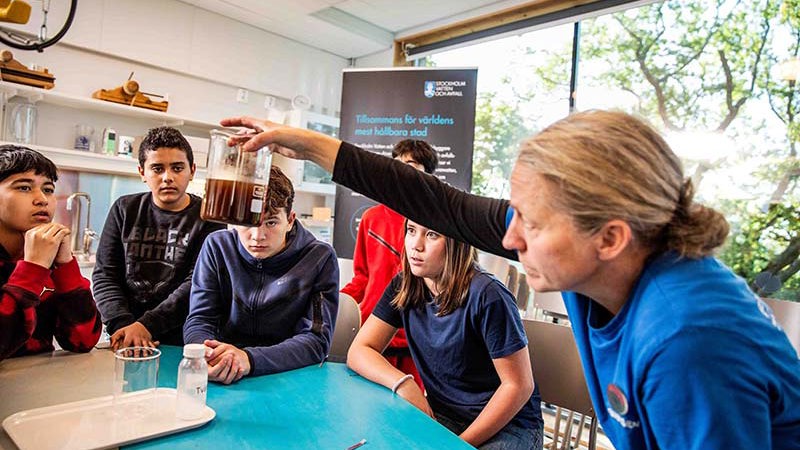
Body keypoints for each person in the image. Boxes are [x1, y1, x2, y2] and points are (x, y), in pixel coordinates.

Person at [221, 111, 800, 449]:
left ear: (611, 237)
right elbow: (436, 200)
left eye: (533, 222)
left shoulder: (686, 340)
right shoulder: (604, 259)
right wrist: (303, 142)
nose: (512, 237)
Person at [347, 218, 543, 449]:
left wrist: (456, 446)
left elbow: (519, 386)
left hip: (508, 426)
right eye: (411, 231)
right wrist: (404, 384)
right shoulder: (405, 284)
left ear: (456, 242)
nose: (416, 245)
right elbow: (360, 350)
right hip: (444, 416)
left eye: (431, 235)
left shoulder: (488, 295)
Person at [183, 165, 339, 384]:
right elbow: (200, 318)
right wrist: (208, 354)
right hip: (224, 369)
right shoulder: (216, 246)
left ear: (290, 219)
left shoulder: (320, 258)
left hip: (288, 376)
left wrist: (248, 359)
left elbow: (316, 341)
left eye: (271, 222)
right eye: (248, 222)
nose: (258, 236)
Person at [93, 126, 225, 350]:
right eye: (157, 168)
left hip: (183, 339)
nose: (167, 177)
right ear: (142, 172)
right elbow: (105, 275)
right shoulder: (124, 209)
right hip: (125, 336)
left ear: (192, 171)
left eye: (177, 168)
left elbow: (197, 284)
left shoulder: (209, 217)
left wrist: (146, 327)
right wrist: (124, 327)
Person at [341, 139, 438, 387]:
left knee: (409, 410)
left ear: (428, 174)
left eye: (412, 165)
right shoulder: (371, 218)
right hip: (371, 334)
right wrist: (333, 300)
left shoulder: (436, 223)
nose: (402, 171)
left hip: (415, 338)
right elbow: (362, 277)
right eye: (397, 165)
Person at [0, 144, 101, 361]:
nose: (42, 199)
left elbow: (83, 340)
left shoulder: (47, 257)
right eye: (24, 188)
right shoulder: (35, 263)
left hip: (38, 385)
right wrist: (32, 269)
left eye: (47, 189)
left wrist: (65, 265)